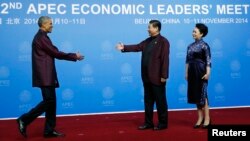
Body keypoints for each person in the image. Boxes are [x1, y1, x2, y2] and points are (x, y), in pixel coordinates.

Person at [16, 16, 84, 138]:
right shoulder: (41, 38)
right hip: (45, 76)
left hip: (46, 75)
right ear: (43, 25)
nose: (52, 25)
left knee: (51, 103)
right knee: (49, 101)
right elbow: (56, 53)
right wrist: (74, 56)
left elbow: (53, 52)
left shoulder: (42, 37)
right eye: (50, 23)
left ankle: (49, 130)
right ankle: (24, 119)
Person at [116, 20, 170, 130]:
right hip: (146, 77)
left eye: (149, 27)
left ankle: (162, 123)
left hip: (158, 78)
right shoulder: (147, 41)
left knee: (161, 102)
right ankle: (148, 123)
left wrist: (164, 75)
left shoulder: (163, 42)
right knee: (148, 102)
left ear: (156, 28)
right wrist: (124, 47)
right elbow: (137, 47)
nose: (147, 29)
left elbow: (165, 60)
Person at [185, 23, 211, 129]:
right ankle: (200, 118)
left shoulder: (205, 46)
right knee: (195, 95)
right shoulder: (189, 46)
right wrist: (186, 72)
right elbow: (187, 61)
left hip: (201, 71)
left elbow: (208, 61)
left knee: (202, 95)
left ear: (202, 34)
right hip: (192, 72)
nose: (193, 33)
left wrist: (208, 73)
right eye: (193, 31)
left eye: (195, 32)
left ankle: (207, 119)